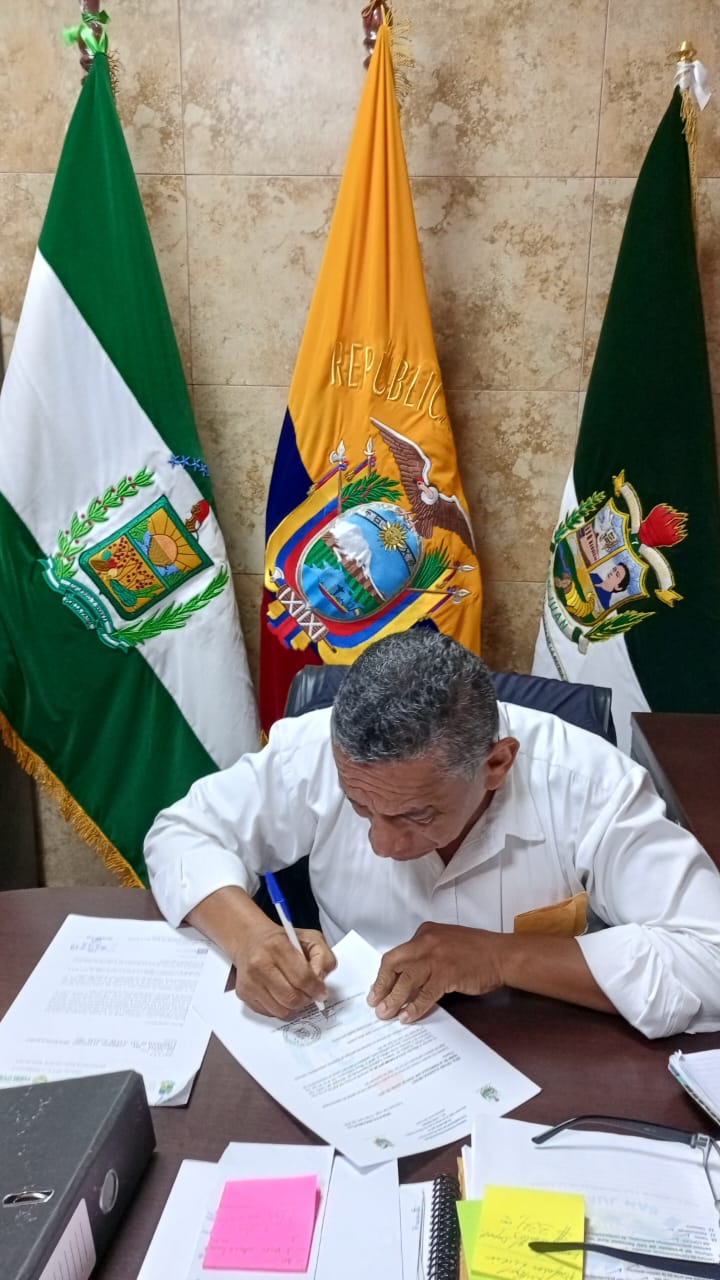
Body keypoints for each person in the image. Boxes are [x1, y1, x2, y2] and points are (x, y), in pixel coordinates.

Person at [145, 629, 720, 1039]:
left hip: (535, 1038)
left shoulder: (588, 783)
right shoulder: (314, 750)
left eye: (416, 816)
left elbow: (711, 955)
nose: (383, 845)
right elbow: (181, 833)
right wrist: (251, 937)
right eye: (361, 808)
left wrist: (501, 958)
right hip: (352, 1030)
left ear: (496, 764)